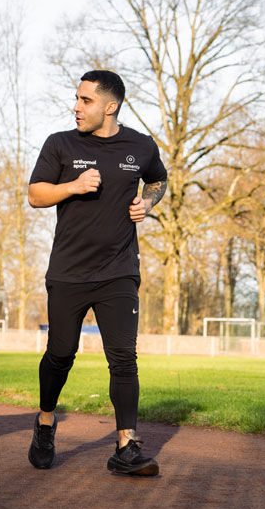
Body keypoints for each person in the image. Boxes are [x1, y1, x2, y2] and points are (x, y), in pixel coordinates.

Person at [27, 69, 167, 476]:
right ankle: (46, 421)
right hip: (69, 271)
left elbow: (158, 179)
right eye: (77, 98)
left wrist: (149, 202)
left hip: (119, 271)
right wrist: (71, 186)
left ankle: (125, 446)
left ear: (110, 106)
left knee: (124, 357)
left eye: (85, 101)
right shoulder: (61, 143)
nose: (76, 107)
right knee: (61, 353)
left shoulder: (140, 145)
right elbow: (35, 194)